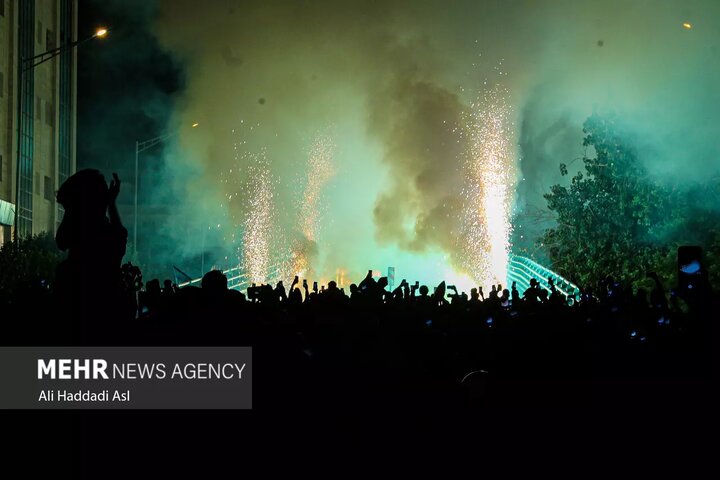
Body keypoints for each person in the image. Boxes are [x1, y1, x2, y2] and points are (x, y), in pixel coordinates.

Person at [54, 170, 128, 327]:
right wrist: (110, 203)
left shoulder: (85, 233)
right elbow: (119, 239)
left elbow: (62, 240)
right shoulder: (104, 232)